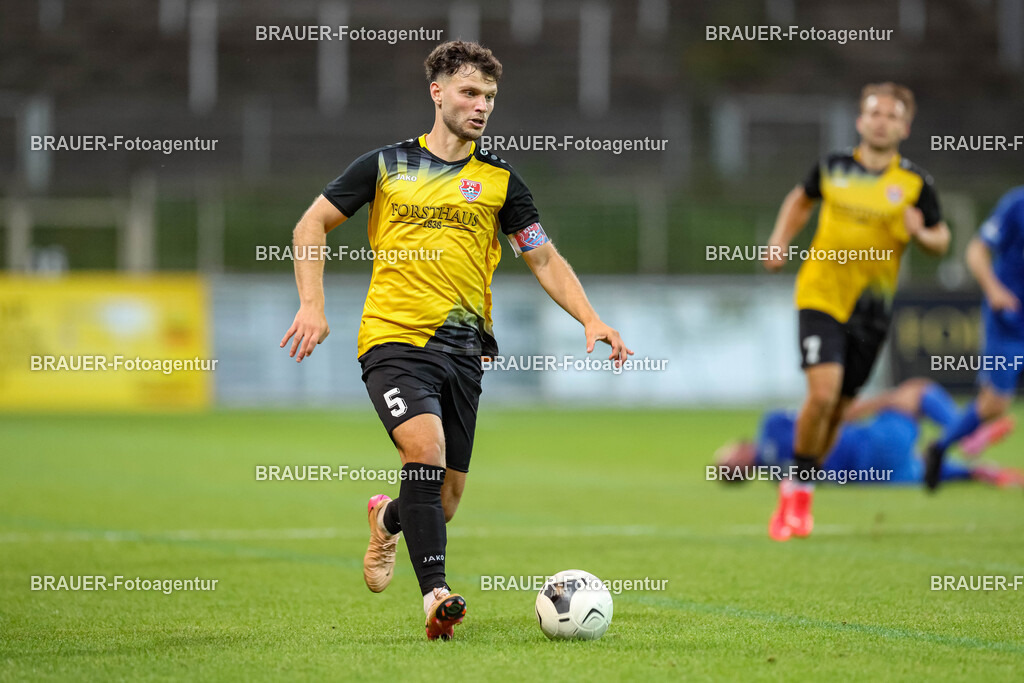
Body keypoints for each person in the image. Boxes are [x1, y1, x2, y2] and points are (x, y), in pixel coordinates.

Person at [279, 41, 631, 640]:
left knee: (441, 501)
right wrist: (312, 304)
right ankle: (436, 596)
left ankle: (386, 519)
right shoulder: (385, 166)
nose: (482, 105)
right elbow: (311, 223)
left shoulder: (499, 181)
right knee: (424, 452)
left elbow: (541, 256)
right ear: (437, 93)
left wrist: (590, 318)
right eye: (470, 92)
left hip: (465, 350)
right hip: (392, 340)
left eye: (490, 97)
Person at [763, 82, 951, 541]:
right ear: (860, 120)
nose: (881, 120)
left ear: (904, 127)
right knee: (822, 395)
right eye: (874, 112)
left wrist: (921, 234)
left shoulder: (914, 184)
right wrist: (779, 240)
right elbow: (800, 199)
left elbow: (942, 239)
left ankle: (801, 487)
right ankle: (794, 492)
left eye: (891, 115)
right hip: (821, 296)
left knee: (841, 409)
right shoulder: (832, 167)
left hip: (872, 312)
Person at [714, 379, 1020, 496]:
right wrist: (882, 401)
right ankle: (967, 435)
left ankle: (977, 472)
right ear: (738, 450)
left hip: (876, 479)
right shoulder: (772, 424)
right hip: (872, 444)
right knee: (916, 392)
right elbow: (830, 414)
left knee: (921, 466)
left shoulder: (778, 479)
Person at [925, 187, 1024, 491]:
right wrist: (994, 291)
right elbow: (976, 251)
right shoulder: (1016, 205)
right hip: (1009, 320)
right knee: (995, 403)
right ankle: (940, 447)